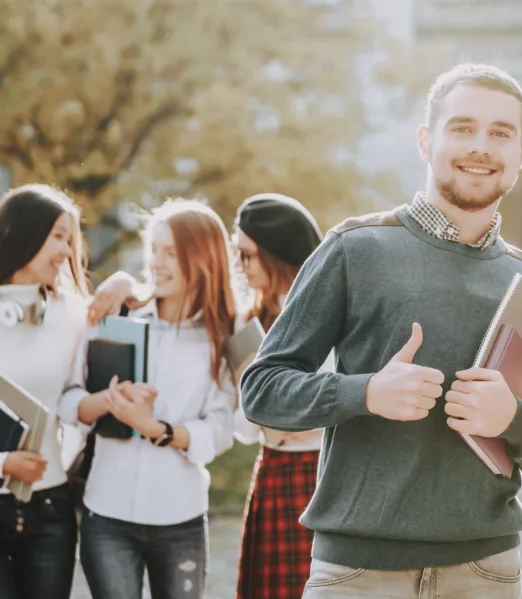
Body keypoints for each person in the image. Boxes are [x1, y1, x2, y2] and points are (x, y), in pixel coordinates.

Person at [239, 63, 522, 598]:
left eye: (500, 133)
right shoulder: (354, 250)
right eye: (462, 128)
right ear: (426, 141)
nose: (481, 146)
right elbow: (261, 391)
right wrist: (365, 392)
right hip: (357, 574)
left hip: (487, 573)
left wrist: (512, 419)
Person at [59, 198, 239, 599]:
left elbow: (221, 430)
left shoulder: (221, 338)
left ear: (204, 259)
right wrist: (109, 400)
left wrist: (156, 429)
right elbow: (71, 401)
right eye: (153, 250)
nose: (156, 262)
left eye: (171, 253)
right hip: (106, 514)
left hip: (181, 518)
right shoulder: (117, 319)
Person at [232, 193, 326, 599]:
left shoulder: (334, 310)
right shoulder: (245, 323)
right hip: (273, 469)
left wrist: (298, 419)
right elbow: (240, 427)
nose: (241, 267)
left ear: (277, 254)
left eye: (248, 256)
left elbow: (353, 398)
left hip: (326, 473)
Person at [0, 184, 90, 599]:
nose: (67, 251)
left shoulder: (72, 314)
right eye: (58, 235)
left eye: (70, 239)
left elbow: (73, 394)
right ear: (22, 233)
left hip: (53, 509)